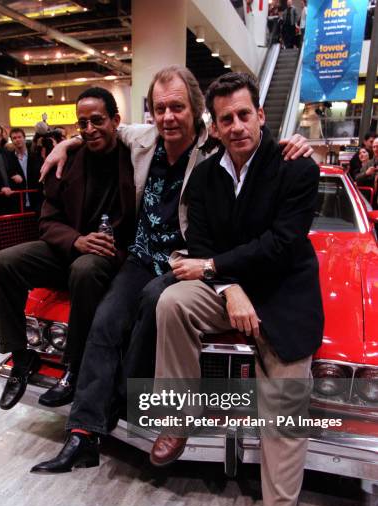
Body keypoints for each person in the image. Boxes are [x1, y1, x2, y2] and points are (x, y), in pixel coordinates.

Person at [30, 65, 314, 475]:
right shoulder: (144, 139)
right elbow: (102, 130)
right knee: (107, 320)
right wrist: (65, 144)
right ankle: (83, 433)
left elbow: (253, 147)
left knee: (154, 303)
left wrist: (296, 142)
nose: (167, 117)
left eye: (177, 107)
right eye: (159, 108)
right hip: (143, 256)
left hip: (186, 259)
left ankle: (128, 403)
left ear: (198, 113)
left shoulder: (214, 148)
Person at [150, 72, 324, 506]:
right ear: (215, 125)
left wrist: (220, 272)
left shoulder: (295, 165)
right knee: (173, 301)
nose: (237, 125)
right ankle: (177, 414)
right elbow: (199, 245)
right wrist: (228, 287)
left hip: (285, 293)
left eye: (244, 114)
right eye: (225, 119)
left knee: (284, 402)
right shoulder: (203, 178)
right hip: (232, 291)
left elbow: (283, 244)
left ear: (261, 116)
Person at [0, 87, 136, 414]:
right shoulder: (68, 160)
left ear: (115, 121)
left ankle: (73, 366)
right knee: (3, 263)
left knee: (85, 270)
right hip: (71, 247)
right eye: (82, 123)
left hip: (113, 256)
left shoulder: (135, 155)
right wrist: (75, 240)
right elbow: (47, 220)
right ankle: (20, 355)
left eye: (97, 120)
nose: (88, 129)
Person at [10, 127, 43, 212]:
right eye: (14, 138)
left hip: (36, 201)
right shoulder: (9, 159)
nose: (17, 140)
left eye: (19, 137)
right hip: (18, 203)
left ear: (24, 138)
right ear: (11, 140)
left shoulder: (35, 156)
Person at [356, 136, 378, 206]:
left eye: (377, 146)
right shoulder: (369, 163)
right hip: (371, 201)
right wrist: (366, 173)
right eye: (374, 147)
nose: (375, 149)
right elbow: (357, 178)